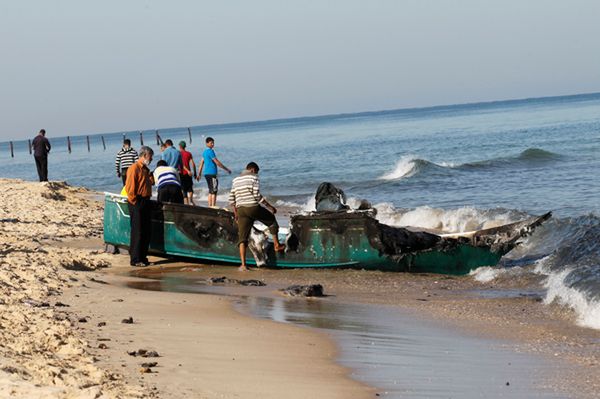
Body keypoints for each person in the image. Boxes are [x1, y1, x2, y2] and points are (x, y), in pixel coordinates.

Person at [228, 162, 284, 271]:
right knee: (271, 220)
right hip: (252, 207)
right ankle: (277, 245)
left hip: (240, 210)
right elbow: (257, 196)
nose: (257, 174)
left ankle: (243, 265)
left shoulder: (235, 180)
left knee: (242, 238)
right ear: (253, 170)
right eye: (257, 172)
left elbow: (231, 198)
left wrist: (236, 212)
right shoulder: (253, 178)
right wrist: (270, 207)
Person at [125, 146, 154, 267]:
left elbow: (150, 183)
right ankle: (135, 259)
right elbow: (130, 188)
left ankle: (142, 256)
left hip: (146, 200)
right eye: (150, 157)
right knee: (137, 231)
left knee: (146, 230)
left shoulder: (145, 169)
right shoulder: (134, 168)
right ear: (144, 156)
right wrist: (135, 201)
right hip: (137, 201)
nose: (151, 159)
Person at [197, 136, 231, 207]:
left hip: (206, 174)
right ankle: (213, 206)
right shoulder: (210, 151)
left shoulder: (204, 152)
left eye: (213, 143)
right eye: (211, 143)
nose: (212, 144)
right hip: (212, 173)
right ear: (206, 143)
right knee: (214, 191)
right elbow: (217, 162)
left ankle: (210, 206)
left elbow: (201, 163)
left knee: (210, 190)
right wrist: (226, 169)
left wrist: (199, 174)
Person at [178, 141, 197, 205]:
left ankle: (186, 203)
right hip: (189, 174)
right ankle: (191, 200)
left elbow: (181, 164)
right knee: (190, 188)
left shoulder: (178, 154)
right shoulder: (189, 153)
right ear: (185, 146)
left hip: (181, 173)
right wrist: (195, 173)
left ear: (180, 146)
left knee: (184, 189)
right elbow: (193, 164)